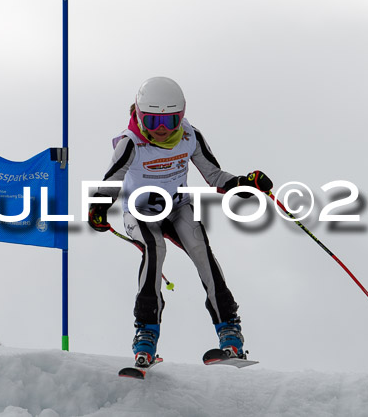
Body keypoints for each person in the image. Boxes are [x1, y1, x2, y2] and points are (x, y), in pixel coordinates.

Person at [87, 77, 273, 367]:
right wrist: (98, 208)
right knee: (155, 249)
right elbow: (111, 181)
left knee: (200, 248)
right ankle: (146, 333)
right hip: (140, 212)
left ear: (181, 116)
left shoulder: (189, 136)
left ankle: (230, 332)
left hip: (177, 207)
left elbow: (215, 177)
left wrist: (244, 183)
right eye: (152, 121)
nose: (161, 130)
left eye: (170, 120)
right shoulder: (130, 143)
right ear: (139, 115)